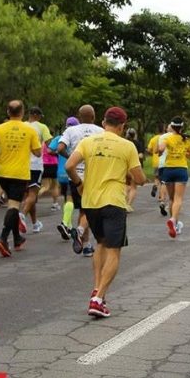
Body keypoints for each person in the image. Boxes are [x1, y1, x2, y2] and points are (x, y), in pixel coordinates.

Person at [66, 107, 146, 318]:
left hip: (90, 202)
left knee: (100, 243)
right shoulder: (127, 146)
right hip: (113, 203)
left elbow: (69, 165)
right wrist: (135, 175)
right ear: (122, 126)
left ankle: (96, 288)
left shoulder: (87, 142)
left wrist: (79, 184)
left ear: (103, 123)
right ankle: (99, 298)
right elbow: (139, 179)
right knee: (114, 250)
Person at [0, 100, 42, 257]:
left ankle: (17, 238)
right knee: (14, 206)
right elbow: (38, 152)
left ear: (8, 112)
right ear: (22, 112)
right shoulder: (29, 130)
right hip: (20, 174)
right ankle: (3, 237)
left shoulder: (0, 128)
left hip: (3, 173)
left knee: (12, 204)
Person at [58, 105, 103, 257]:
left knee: (84, 209)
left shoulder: (70, 131)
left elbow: (59, 148)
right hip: (93, 175)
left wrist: (71, 157)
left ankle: (86, 245)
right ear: (94, 116)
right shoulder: (100, 131)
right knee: (90, 210)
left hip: (75, 175)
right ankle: (81, 232)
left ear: (79, 116)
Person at [159, 117, 190, 238]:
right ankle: (174, 219)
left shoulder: (167, 138)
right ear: (182, 126)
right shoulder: (186, 140)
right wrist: (184, 152)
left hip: (168, 169)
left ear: (171, 126)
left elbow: (160, 149)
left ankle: (174, 224)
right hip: (181, 169)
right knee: (178, 198)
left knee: (171, 199)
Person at [20, 107, 52, 234]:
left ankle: (35, 223)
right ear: (36, 115)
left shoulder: (22, 126)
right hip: (35, 164)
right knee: (33, 194)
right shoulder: (42, 127)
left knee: (29, 196)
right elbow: (50, 143)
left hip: (22, 165)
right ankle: (21, 215)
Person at [52, 117, 79, 241]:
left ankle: (68, 226)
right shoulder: (78, 137)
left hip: (60, 172)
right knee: (71, 199)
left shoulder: (59, 138)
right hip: (73, 172)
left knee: (67, 199)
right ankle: (65, 223)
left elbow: (50, 149)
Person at [146, 124, 169, 216]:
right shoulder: (166, 137)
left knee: (157, 178)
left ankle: (155, 185)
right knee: (163, 181)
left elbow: (149, 149)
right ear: (164, 129)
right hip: (163, 161)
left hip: (155, 161)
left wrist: (152, 153)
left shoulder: (153, 139)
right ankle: (161, 197)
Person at [41, 124, 61, 213]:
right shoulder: (53, 141)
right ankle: (55, 204)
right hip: (53, 164)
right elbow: (55, 152)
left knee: (45, 186)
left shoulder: (42, 142)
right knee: (54, 185)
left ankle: (32, 199)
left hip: (44, 164)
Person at [124, 128, 145, 212]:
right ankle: (128, 205)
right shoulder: (138, 144)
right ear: (135, 134)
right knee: (133, 187)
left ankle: (123, 203)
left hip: (125, 166)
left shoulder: (124, 143)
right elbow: (141, 155)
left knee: (126, 185)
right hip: (135, 166)